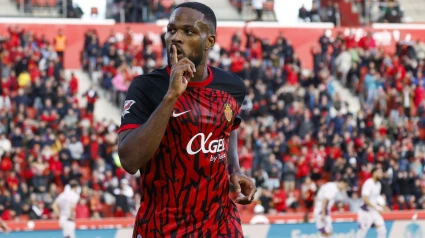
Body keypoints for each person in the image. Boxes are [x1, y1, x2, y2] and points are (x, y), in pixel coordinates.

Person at [117, 2, 257, 237]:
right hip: (162, 227)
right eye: (171, 30)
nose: (176, 37)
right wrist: (171, 96)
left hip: (219, 224)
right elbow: (129, 161)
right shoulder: (146, 87)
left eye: (188, 31)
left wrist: (234, 168)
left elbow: (229, 126)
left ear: (209, 41)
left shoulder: (232, 87)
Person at [356, 167, 388, 238]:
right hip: (365, 211)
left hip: (374, 211)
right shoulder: (368, 183)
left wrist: (382, 206)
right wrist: (377, 207)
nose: (381, 174)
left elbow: (374, 199)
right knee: (362, 233)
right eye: (380, 172)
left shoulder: (378, 184)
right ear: (374, 173)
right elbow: (365, 199)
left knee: (382, 230)